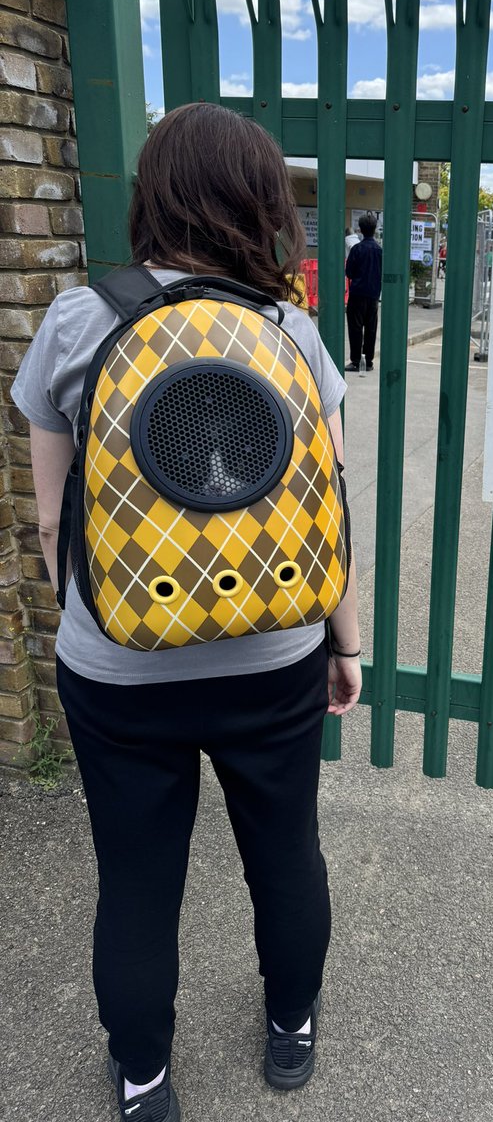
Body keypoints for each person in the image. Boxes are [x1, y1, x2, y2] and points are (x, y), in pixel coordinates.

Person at [11, 102, 362, 1122]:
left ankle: (144, 1079)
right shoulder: (291, 331)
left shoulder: (86, 318)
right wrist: (345, 642)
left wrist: (98, 628)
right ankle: (291, 1028)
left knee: (135, 878)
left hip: (119, 667)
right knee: (285, 850)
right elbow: (332, 512)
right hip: (275, 652)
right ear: (264, 206)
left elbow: (47, 522)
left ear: (152, 198)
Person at [344, 212, 382, 373]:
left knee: (355, 328)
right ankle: (369, 361)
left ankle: (356, 360)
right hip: (373, 295)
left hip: (357, 294)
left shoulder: (357, 249)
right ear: (375, 229)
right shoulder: (380, 251)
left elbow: (349, 272)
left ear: (360, 229)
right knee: (371, 328)